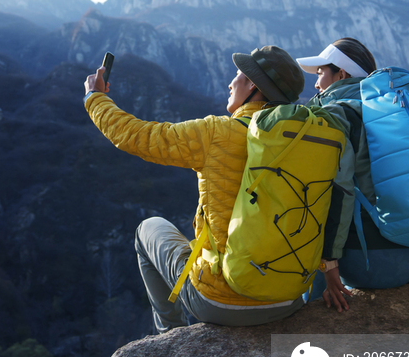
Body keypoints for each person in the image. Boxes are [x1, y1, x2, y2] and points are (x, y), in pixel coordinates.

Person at [84, 46, 306, 333]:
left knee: (147, 230)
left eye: (237, 75)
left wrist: (95, 98)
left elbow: (138, 136)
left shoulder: (218, 133)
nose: (230, 83)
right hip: (287, 298)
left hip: (222, 301)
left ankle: (170, 336)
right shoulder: (305, 138)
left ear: (253, 84)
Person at [296, 37, 409, 313]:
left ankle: (307, 328)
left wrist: (328, 265)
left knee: (311, 244)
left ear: (341, 74)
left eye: (320, 74)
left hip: (378, 265)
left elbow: (338, 191)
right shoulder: (398, 109)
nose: (316, 85)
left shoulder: (336, 115)